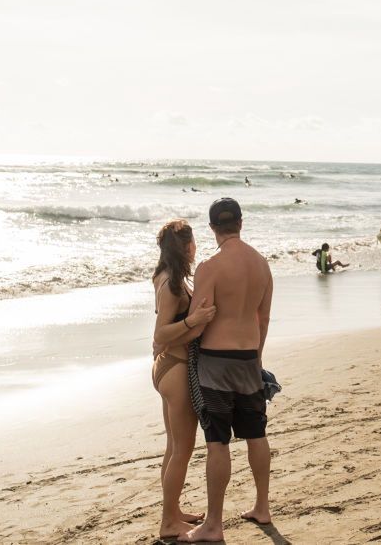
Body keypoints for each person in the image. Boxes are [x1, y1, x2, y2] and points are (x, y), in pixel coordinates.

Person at [182, 198, 274, 543]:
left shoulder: (210, 266)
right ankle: (262, 507)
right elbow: (262, 318)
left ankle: (214, 524)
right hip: (250, 358)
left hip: (216, 364)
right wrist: (258, 358)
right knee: (256, 435)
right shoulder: (262, 265)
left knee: (218, 441)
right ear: (241, 223)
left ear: (211, 228)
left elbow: (197, 322)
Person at [151, 221, 218, 539]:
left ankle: (173, 511)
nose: (196, 247)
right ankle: (168, 522)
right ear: (186, 247)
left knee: (173, 446)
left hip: (167, 366)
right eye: (193, 242)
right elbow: (160, 332)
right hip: (174, 369)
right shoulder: (172, 285)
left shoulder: (166, 276)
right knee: (184, 449)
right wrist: (194, 319)